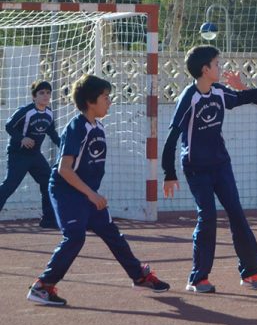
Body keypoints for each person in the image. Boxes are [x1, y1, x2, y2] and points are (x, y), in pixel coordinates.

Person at [26, 74, 169, 306]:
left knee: (112, 233)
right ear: (91, 101)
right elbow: (64, 169)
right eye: (105, 96)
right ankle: (43, 286)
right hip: (66, 191)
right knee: (75, 237)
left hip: (86, 193)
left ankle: (139, 275)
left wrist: (92, 193)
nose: (109, 101)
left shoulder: (98, 128)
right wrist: (91, 194)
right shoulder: (76, 127)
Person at [162, 45, 257, 293]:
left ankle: (250, 272)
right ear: (205, 69)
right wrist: (169, 173)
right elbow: (172, 136)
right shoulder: (190, 97)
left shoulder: (217, 91)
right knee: (207, 218)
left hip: (220, 164)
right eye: (217, 64)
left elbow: (241, 98)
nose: (221, 67)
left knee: (237, 215)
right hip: (196, 168)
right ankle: (198, 278)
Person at [0, 80, 60, 228]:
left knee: (48, 182)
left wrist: (64, 146)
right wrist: (22, 138)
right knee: (9, 186)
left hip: (35, 155)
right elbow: (9, 126)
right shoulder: (26, 111)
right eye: (41, 93)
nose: (45, 96)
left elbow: (52, 133)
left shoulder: (49, 113)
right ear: (34, 96)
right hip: (18, 155)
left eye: (48, 92)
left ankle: (48, 220)